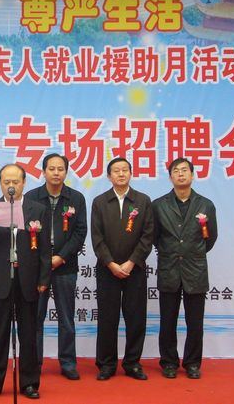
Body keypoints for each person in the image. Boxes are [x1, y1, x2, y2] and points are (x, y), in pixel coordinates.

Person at [0, 164, 51, 400]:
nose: (11, 186)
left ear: (24, 182)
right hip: (2, 278)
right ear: (0, 183)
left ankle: (29, 383)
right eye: (6, 181)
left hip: (28, 279)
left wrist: (44, 278)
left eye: (16, 181)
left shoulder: (37, 209)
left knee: (28, 334)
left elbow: (45, 249)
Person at [152, 157, 218, 379]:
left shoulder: (206, 205)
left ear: (192, 174)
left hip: (195, 270)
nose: (180, 174)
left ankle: (192, 363)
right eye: (176, 171)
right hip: (169, 268)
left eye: (184, 170)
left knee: (195, 322)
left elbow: (210, 238)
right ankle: (169, 362)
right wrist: (172, 252)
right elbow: (155, 237)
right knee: (167, 321)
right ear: (170, 177)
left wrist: (193, 253)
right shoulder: (159, 205)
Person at [90, 157, 153, 381]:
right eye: (116, 171)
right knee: (107, 318)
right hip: (107, 269)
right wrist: (111, 263)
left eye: (125, 170)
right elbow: (96, 237)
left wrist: (132, 261)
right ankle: (106, 364)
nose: (121, 174)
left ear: (131, 173)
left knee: (136, 318)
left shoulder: (143, 201)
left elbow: (148, 235)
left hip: (135, 269)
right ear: (109, 176)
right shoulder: (100, 202)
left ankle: (132, 363)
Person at [25, 154, 87, 380]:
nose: (56, 173)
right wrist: (41, 260)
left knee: (66, 318)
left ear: (66, 172)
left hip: (65, 266)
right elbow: (24, 232)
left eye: (60, 169)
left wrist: (61, 256)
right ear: (43, 172)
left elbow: (80, 232)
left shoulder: (76, 198)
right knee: (35, 318)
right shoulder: (31, 197)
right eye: (51, 168)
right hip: (36, 268)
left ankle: (68, 363)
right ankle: (34, 363)